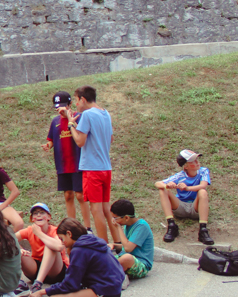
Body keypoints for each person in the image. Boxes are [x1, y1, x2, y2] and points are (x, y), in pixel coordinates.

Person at [26, 218, 124, 297]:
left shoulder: (79, 250)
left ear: (69, 234)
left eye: (62, 238)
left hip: (105, 291)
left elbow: (70, 285)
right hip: (114, 287)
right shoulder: (91, 240)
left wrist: (41, 292)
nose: (62, 242)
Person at [63, 85, 116, 241]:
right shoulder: (105, 113)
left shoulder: (87, 115)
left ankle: (103, 245)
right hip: (106, 168)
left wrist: (71, 124)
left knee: (96, 209)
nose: (76, 105)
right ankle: (118, 242)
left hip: (92, 169)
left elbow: (79, 141)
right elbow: (111, 138)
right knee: (106, 208)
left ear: (83, 99)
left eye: (76, 101)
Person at [43, 92, 87, 229]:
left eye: (63, 106)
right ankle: (72, 226)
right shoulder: (55, 121)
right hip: (63, 164)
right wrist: (48, 145)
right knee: (68, 195)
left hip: (78, 163)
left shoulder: (78, 118)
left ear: (70, 105)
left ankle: (87, 227)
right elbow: (51, 139)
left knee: (80, 195)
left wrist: (69, 118)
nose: (60, 110)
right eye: (57, 107)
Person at [157, 149, 214, 245]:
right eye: (193, 161)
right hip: (180, 207)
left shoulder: (203, 171)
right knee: (163, 190)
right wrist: (168, 186)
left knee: (203, 192)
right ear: (185, 166)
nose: (197, 163)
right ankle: (171, 225)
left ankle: (203, 230)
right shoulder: (179, 176)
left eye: (197, 160)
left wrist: (187, 188)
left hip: (196, 207)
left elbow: (203, 185)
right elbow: (158, 183)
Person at [14, 203, 69, 297]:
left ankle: (38, 284)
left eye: (42, 212)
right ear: (32, 219)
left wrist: (39, 233)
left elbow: (59, 247)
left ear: (49, 217)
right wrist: (19, 249)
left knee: (50, 246)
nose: (38, 215)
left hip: (56, 272)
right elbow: (9, 239)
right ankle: (20, 284)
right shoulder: (29, 230)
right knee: (18, 251)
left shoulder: (55, 230)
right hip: (36, 269)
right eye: (35, 213)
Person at [111, 199, 154, 281]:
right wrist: (114, 246)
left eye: (115, 218)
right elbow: (127, 245)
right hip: (125, 256)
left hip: (141, 265)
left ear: (126, 217)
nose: (113, 221)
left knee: (126, 258)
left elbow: (128, 248)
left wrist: (118, 228)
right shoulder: (127, 225)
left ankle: (104, 274)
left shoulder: (141, 226)